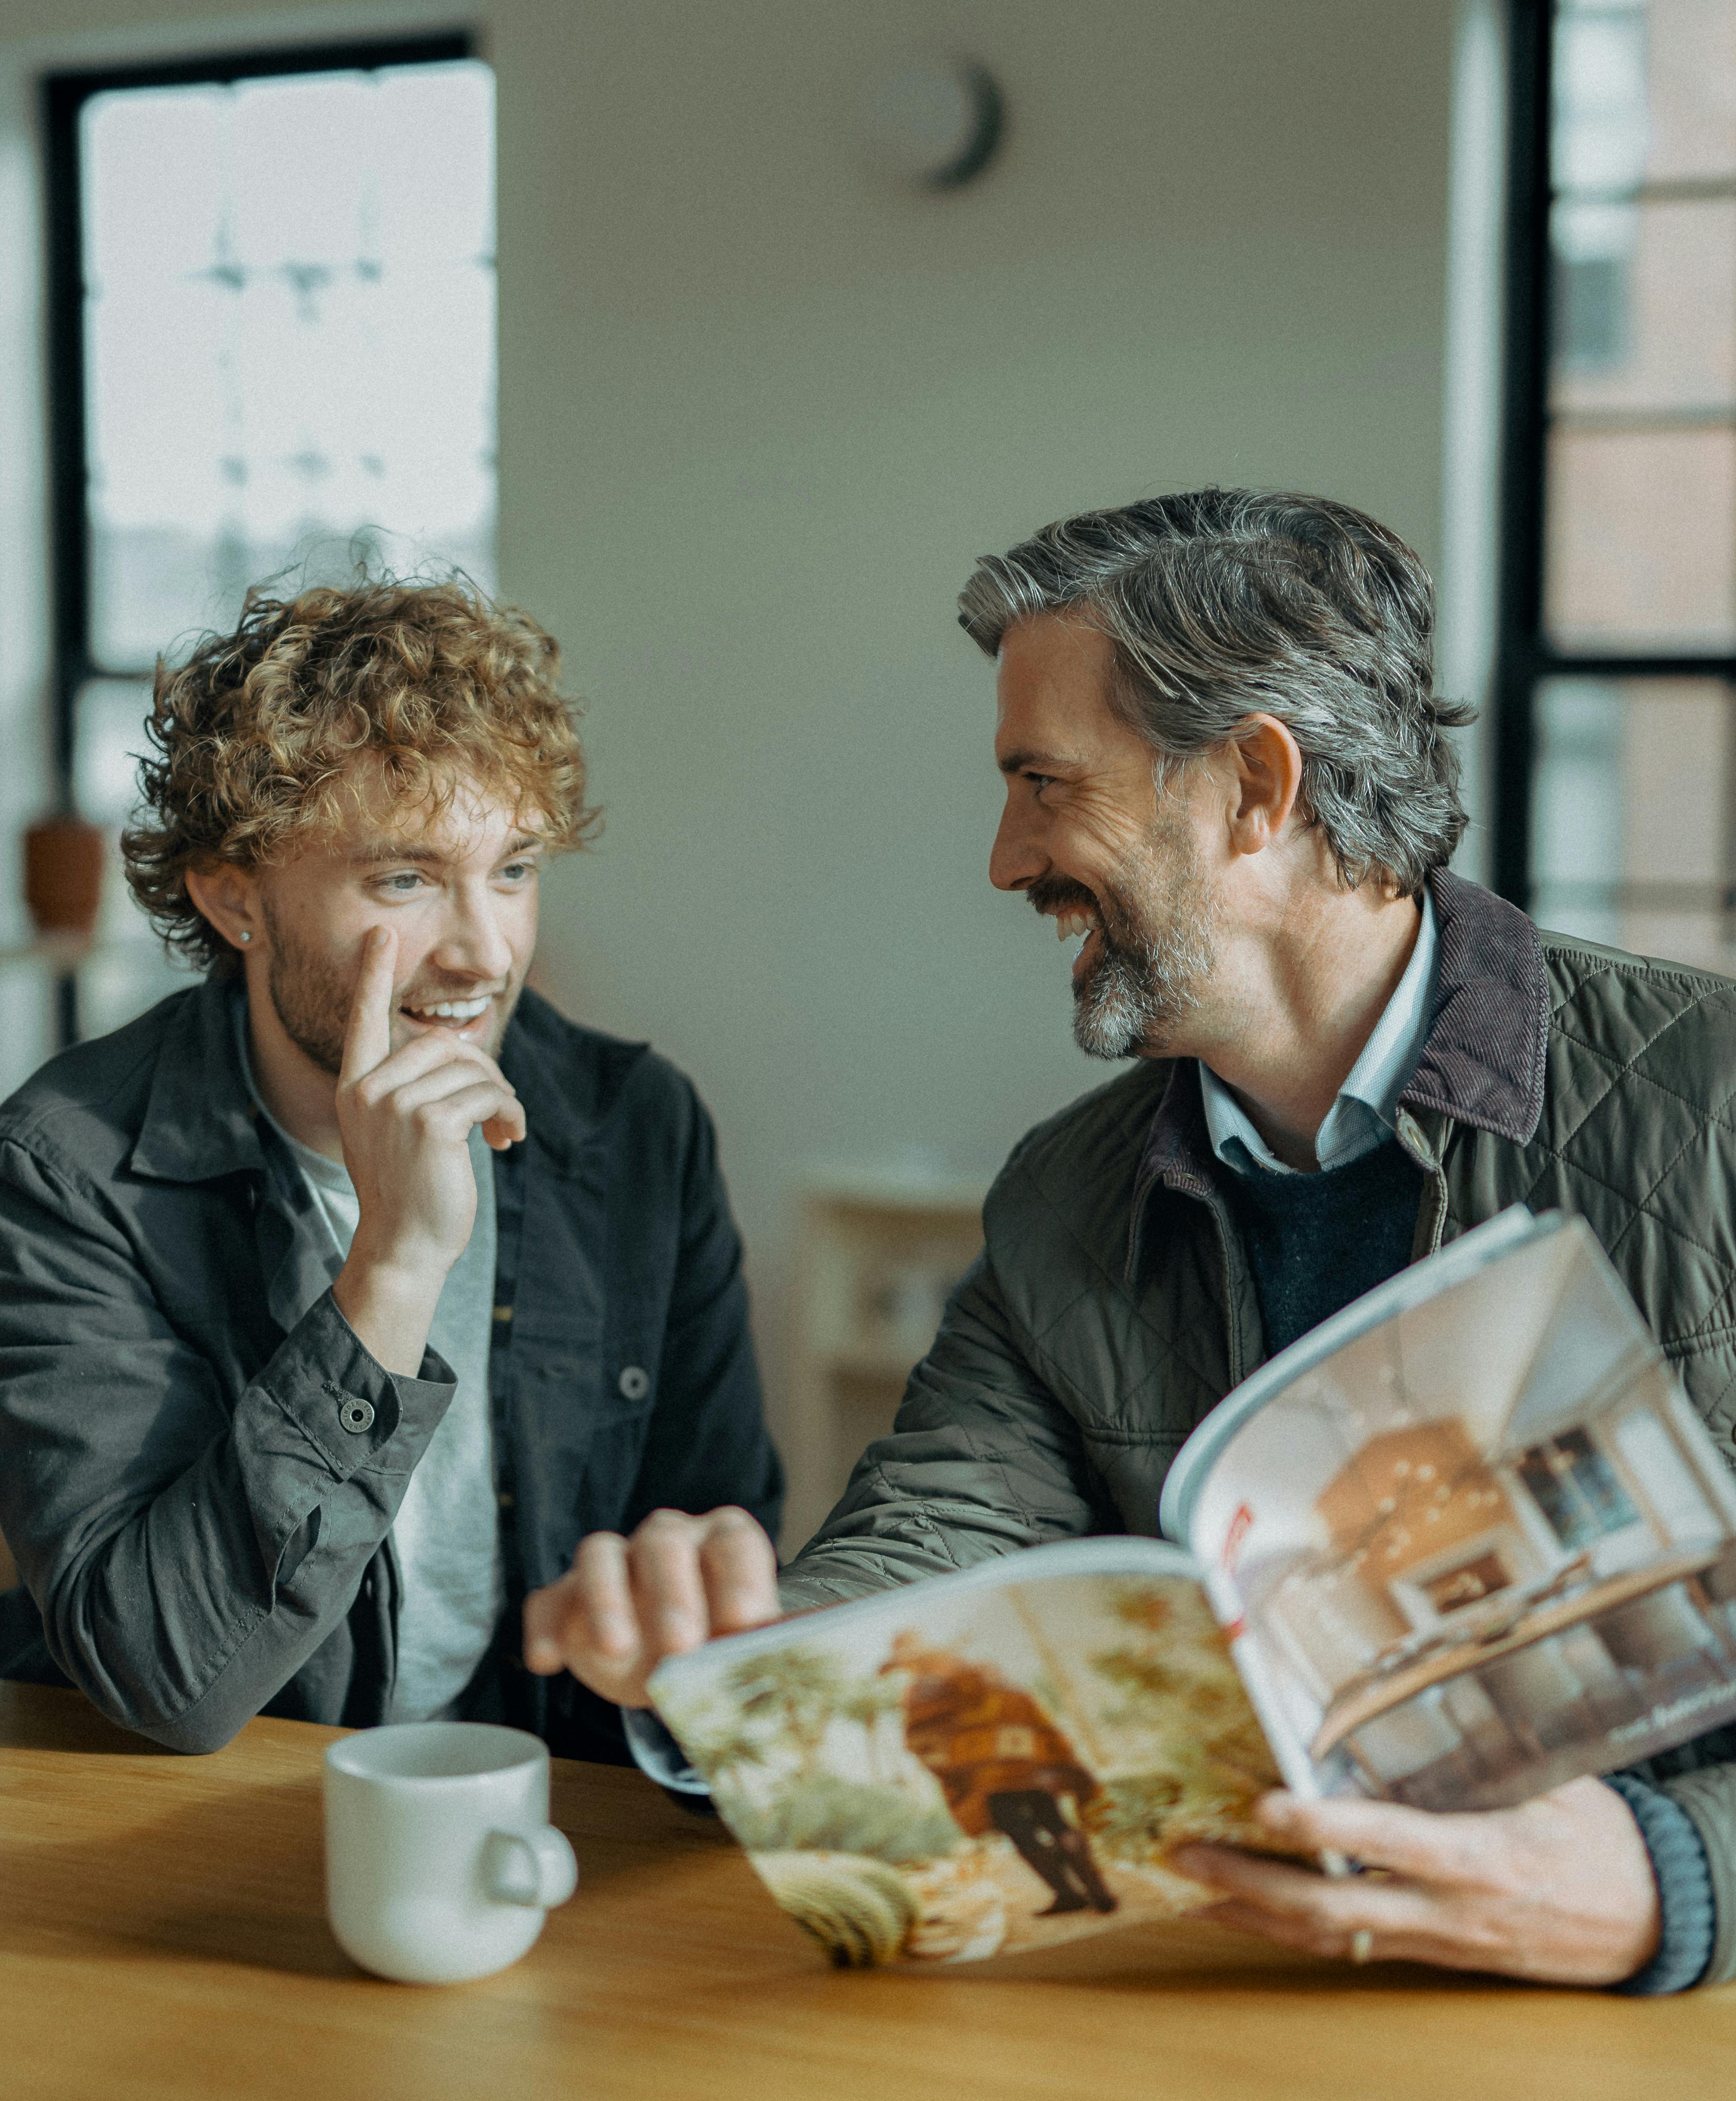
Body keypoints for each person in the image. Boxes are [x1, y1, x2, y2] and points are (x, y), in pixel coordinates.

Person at [528, 489, 1736, 1993]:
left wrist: (1668, 1875)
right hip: (1232, 2001)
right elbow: (924, 1554)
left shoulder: (1709, 1104)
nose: (1001, 857)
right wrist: (737, 1660)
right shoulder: (1060, 1200)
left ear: (1252, 786)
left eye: (1043, 782)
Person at [0, 578, 781, 1762]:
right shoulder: (70, 1167)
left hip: (528, 1802)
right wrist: (394, 1266)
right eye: (406, 880)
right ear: (233, 896)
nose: (484, 952)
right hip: (194, 1827)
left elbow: (717, 1548)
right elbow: (164, 1678)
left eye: (512, 870)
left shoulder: (635, 1130)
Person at [882, 1631, 1116, 1917]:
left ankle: (1068, 1895)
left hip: (987, 1776)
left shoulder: (926, 1688)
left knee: (1020, 1832)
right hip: (1031, 1764)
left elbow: (923, 1736)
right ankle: (1100, 1893)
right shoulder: (983, 1674)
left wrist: (959, 1766)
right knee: (1056, 1823)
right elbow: (1024, 1708)